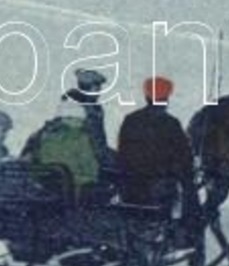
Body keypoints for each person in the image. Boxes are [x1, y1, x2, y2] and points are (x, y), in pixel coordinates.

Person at [117, 76, 194, 207]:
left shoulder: (130, 119)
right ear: (165, 100)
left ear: (147, 98)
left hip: (130, 188)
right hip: (161, 189)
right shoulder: (171, 123)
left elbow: (123, 151)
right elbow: (184, 156)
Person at [22, 95, 106, 201]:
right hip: (74, 187)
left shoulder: (42, 135)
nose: (82, 124)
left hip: (47, 186)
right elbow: (90, 167)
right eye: (79, 120)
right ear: (68, 119)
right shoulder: (80, 137)